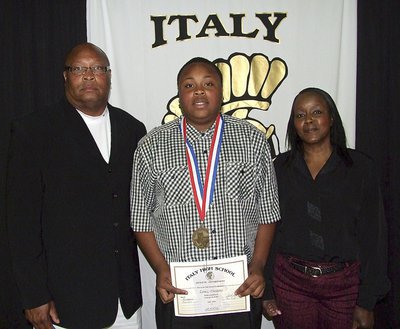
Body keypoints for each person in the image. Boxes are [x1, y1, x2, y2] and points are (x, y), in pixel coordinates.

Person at [130, 57, 280, 329]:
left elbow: (268, 212)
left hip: (239, 288)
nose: (199, 91)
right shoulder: (151, 146)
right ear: (179, 95)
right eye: (189, 85)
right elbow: (140, 219)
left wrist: (258, 265)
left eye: (208, 84)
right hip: (180, 290)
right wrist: (161, 269)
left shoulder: (253, 140)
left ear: (221, 93)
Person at [6, 43, 146, 329]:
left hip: (125, 302)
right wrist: (34, 296)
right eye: (79, 69)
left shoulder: (133, 129)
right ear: (65, 76)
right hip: (65, 303)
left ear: (108, 75)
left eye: (97, 68)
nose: (89, 75)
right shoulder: (34, 131)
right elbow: (21, 223)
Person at [262, 87, 390, 329]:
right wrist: (267, 289)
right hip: (291, 284)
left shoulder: (361, 168)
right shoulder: (279, 168)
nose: (308, 120)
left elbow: (374, 237)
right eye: (300, 115)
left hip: (345, 287)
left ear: (331, 118)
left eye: (316, 112)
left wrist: (367, 300)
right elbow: (271, 231)